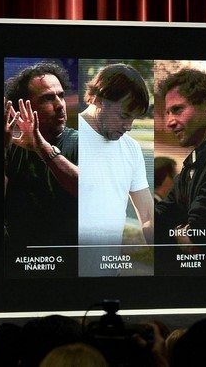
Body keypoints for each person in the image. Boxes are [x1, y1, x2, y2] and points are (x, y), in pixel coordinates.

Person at [77, 63, 154, 277]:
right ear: (98, 99)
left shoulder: (132, 149)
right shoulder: (66, 136)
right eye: (124, 115)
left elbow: (147, 214)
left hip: (110, 277)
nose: (129, 126)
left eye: (134, 118)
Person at [3, 61, 79, 277]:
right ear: (25, 108)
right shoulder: (12, 146)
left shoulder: (80, 141)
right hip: (20, 263)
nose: (60, 105)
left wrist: (42, 147)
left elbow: (87, 190)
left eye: (61, 95)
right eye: (48, 98)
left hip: (68, 264)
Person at [154, 68, 206, 274]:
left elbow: (197, 234)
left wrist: (184, 231)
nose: (169, 122)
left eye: (177, 110)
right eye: (168, 112)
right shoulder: (191, 166)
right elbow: (158, 221)